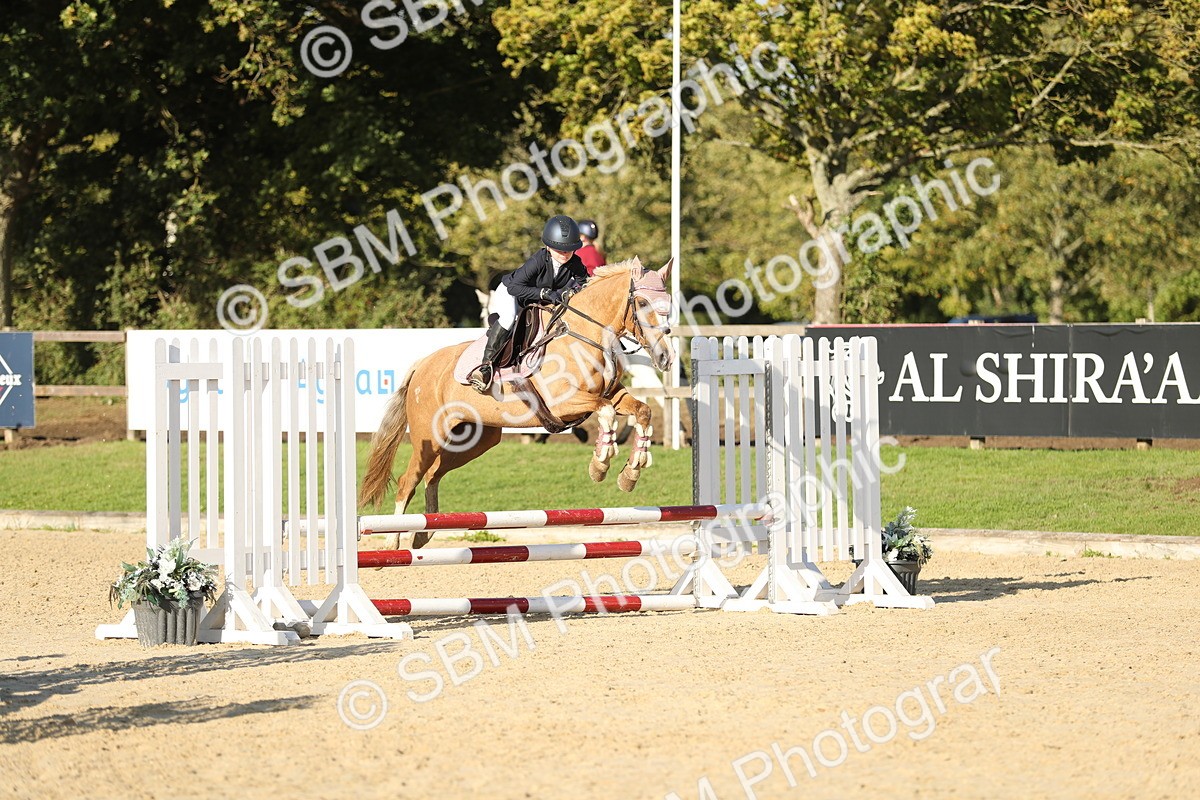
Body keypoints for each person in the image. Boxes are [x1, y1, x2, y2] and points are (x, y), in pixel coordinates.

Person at [469, 214, 589, 393]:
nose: (565, 254)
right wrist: (544, 293)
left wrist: (574, 291)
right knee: (510, 318)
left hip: (536, 300)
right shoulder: (538, 260)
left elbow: (585, 282)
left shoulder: (575, 263)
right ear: (549, 247)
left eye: (569, 250)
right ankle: (485, 367)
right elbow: (515, 288)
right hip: (511, 292)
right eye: (559, 249)